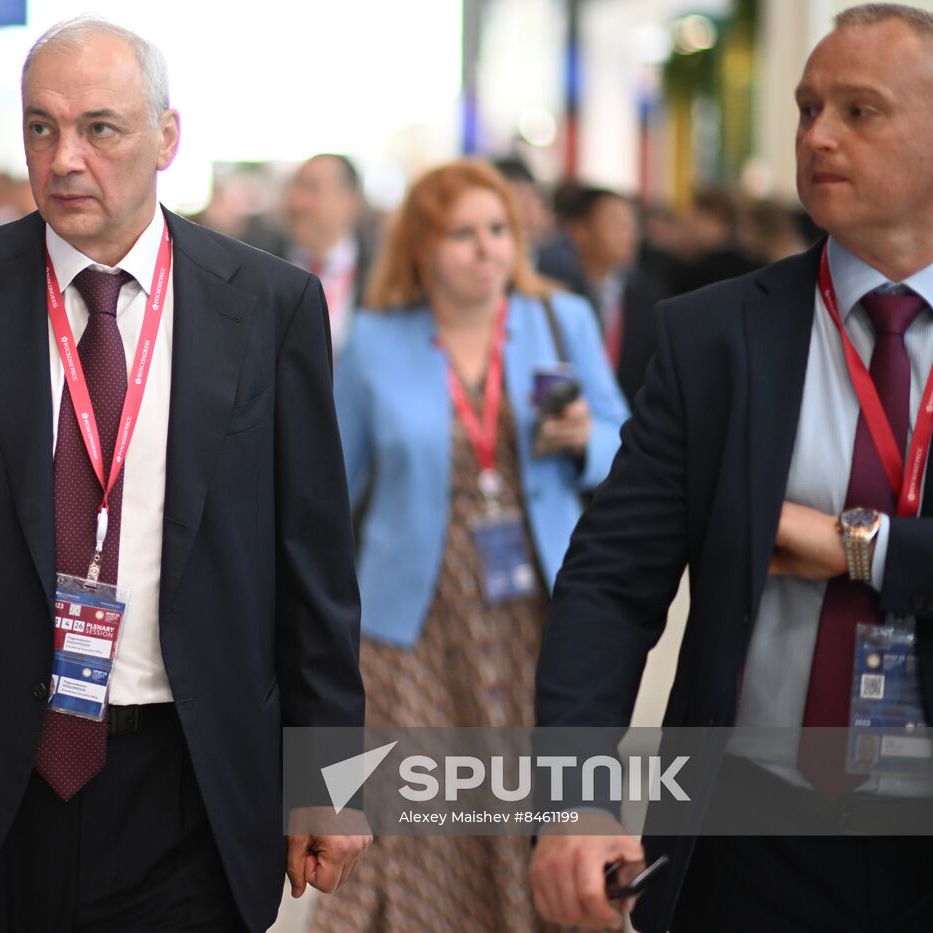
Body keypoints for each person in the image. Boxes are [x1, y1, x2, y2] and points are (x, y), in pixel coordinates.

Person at [0, 17, 368, 933]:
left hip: (194, 778)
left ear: (166, 138)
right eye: (40, 128)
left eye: (99, 128)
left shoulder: (269, 305)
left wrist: (332, 774)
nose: (65, 157)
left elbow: (313, 559)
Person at [530, 5, 933, 931]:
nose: (818, 135)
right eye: (807, 107)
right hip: (753, 827)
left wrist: (861, 547)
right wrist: (577, 799)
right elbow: (609, 584)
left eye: (860, 111)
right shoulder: (717, 336)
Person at [312, 161, 627, 932]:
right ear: (420, 247)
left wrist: (590, 438)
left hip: (538, 612)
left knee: (532, 800)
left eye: (497, 230)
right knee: (426, 817)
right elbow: (329, 490)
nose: (486, 249)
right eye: (462, 233)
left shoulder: (561, 320)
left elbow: (632, 444)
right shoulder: (376, 343)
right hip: (415, 622)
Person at [538, 186, 665, 405]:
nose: (629, 233)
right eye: (616, 222)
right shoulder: (552, 295)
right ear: (579, 231)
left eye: (633, 223)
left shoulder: (649, 299)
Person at [278, 154, 372, 355]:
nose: (297, 202)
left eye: (311, 188)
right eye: (294, 187)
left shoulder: (379, 273)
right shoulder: (264, 267)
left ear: (349, 201)